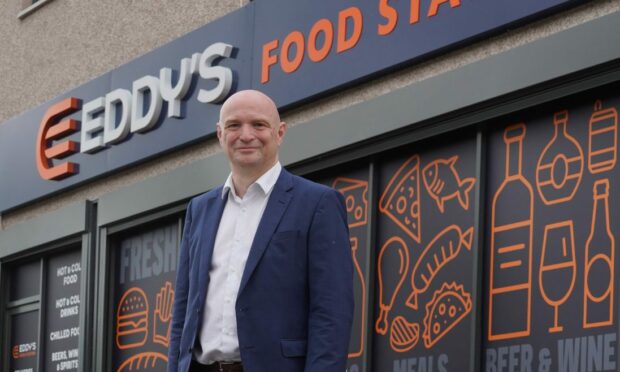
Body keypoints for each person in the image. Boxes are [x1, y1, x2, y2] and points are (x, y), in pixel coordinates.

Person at [168, 90, 353, 372]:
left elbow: (331, 313)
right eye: (233, 125)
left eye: (258, 125)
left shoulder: (317, 203)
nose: (245, 135)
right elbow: (182, 309)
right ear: (220, 134)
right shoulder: (200, 209)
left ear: (279, 133)